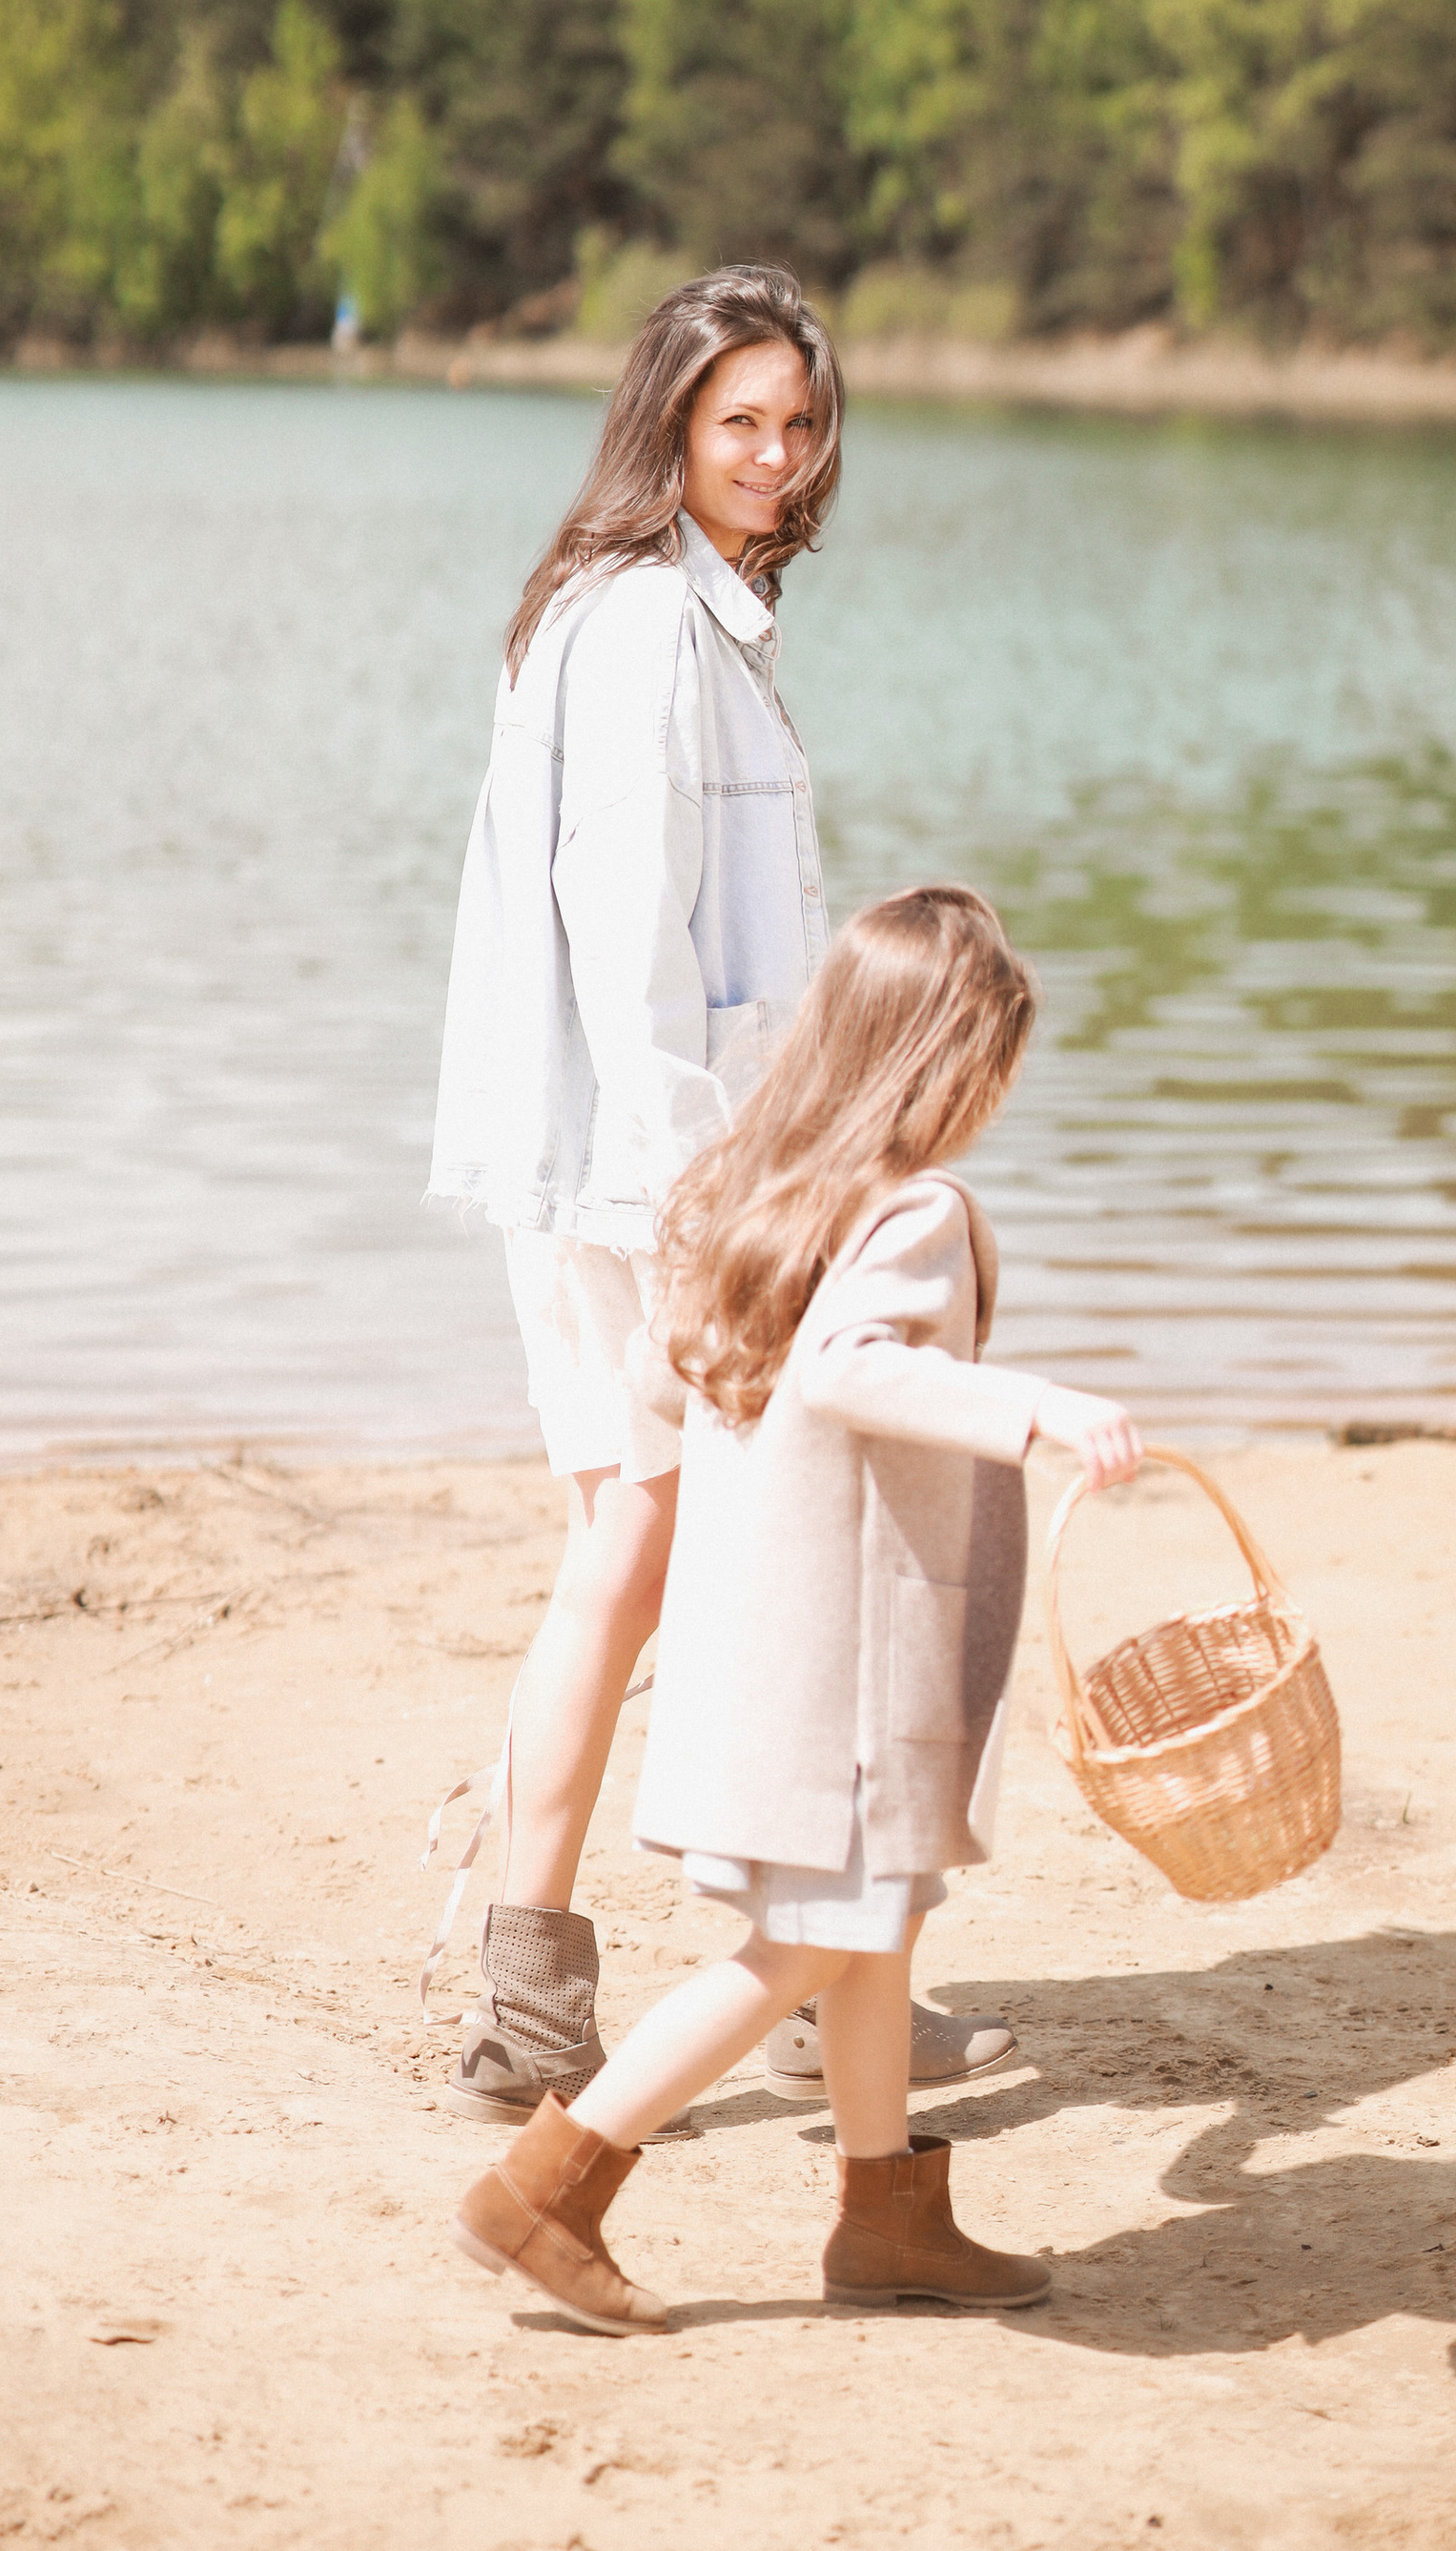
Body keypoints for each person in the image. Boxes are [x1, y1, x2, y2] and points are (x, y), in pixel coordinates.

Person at [428, 269, 1018, 2122]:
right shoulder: (631, 626)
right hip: (645, 1170)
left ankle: (768, 1970)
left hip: (656, 1159)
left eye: (795, 423)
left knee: (649, 1546)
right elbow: (627, 935)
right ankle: (569, 1991)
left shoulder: (700, 611)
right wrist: (700, 1190)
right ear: (669, 422)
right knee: (652, 1547)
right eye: (739, 421)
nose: (774, 456)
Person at [451, 885, 1141, 2331]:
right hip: (854, 1671)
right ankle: (554, 2184)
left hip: (756, 1654)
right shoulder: (915, 1214)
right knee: (805, 1949)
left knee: (874, 1928)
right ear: (947, 1067)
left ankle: (888, 2216)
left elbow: (657, 1377)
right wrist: (1041, 1412)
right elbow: (847, 1369)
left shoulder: (746, 1195)